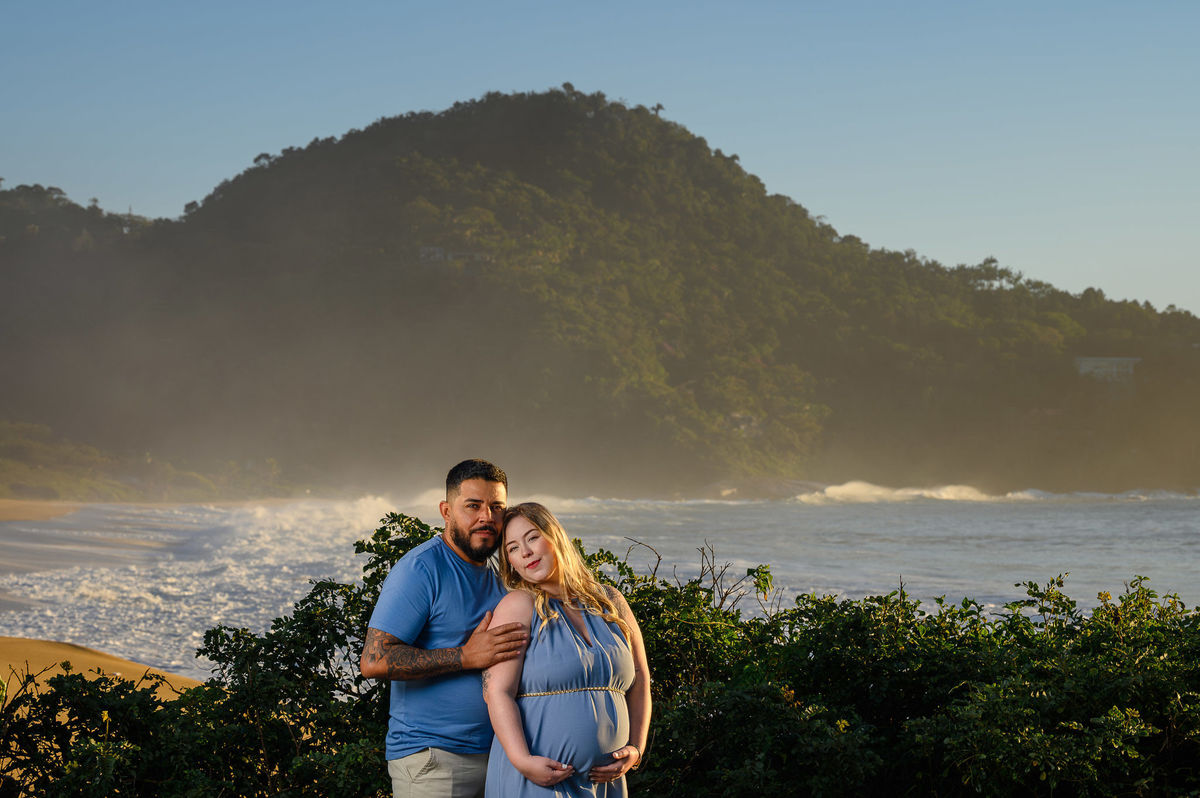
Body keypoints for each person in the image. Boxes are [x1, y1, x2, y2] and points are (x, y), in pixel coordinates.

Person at [361, 459, 528, 798]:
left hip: (498, 757)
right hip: (434, 761)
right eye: (473, 506)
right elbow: (374, 661)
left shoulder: (501, 577)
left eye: (497, 507)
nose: (487, 517)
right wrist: (465, 656)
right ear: (446, 511)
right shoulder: (421, 569)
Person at [483, 502, 651, 797]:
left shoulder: (610, 600)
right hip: (538, 779)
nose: (525, 552)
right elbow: (496, 691)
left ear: (555, 535)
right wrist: (523, 761)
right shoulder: (517, 606)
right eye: (512, 548)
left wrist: (636, 748)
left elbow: (640, 677)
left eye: (532, 537)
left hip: (606, 783)